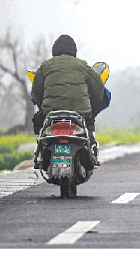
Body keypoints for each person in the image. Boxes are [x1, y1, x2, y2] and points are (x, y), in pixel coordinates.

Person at [31, 34, 110, 166]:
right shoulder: (83, 66)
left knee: (38, 121)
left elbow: (36, 92)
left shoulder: (45, 66)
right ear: (74, 51)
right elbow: (98, 90)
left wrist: (42, 105)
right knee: (89, 121)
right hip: (80, 112)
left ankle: (41, 151)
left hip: (50, 112)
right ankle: (91, 147)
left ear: (54, 50)